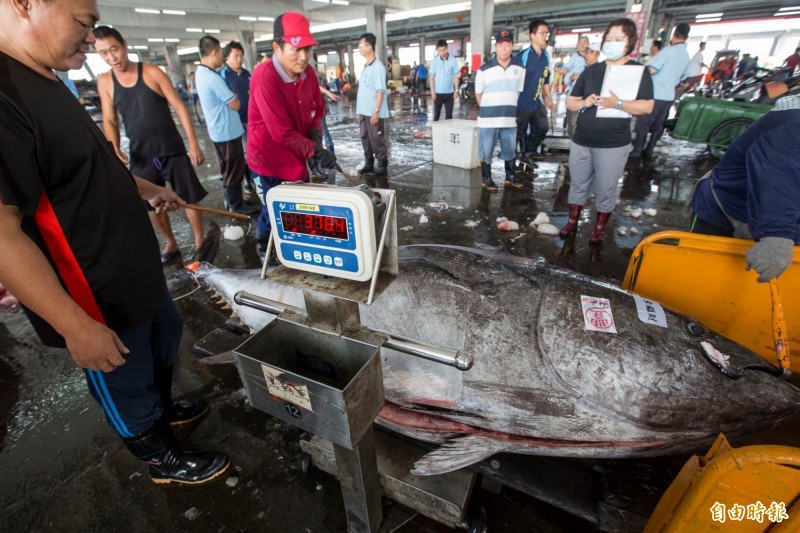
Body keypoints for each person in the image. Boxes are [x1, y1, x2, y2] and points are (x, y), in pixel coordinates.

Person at [0, 0, 229, 484]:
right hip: (92, 290)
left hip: (133, 266)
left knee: (162, 342)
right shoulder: (4, 93)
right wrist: (74, 326)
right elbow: (1, 230)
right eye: (83, 24)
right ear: (24, 4)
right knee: (122, 375)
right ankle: (157, 455)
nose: (91, 39)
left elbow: (87, 168)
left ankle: (163, 412)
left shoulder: (47, 76)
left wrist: (146, 189)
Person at [93, 26, 208, 264]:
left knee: (188, 198)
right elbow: (110, 119)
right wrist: (113, 147)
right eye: (104, 53)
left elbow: (179, 106)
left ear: (124, 45)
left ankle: (199, 243)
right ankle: (171, 242)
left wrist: (194, 144)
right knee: (150, 205)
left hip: (172, 149)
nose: (111, 57)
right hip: (141, 154)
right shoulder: (105, 82)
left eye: (114, 49)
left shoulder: (152, 73)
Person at [559, 18, 654, 244]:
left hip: (613, 143)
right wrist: (585, 102)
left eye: (618, 39)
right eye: (609, 39)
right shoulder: (592, 70)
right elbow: (571, 102)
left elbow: (647, 106)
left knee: (606, 187)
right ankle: (572, 220)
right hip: (582, 139)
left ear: (630, 42)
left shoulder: (637, 72)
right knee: (578, 184)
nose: (612, 43)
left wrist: (618, 104)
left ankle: (599, 228)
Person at [689, 95, 799, 283]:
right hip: (726, 207)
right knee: (702, 277)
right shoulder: (794, 123)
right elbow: (779, 169)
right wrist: (777, 234)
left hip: (776, 218)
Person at [247, 12, 331, 259]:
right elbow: (280, 132)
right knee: (273, 210)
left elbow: (318, 108)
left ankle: (295, 246)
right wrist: (314, 150)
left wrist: (315, 135)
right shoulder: (265, 78)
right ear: (277, 47)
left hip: (296, 156)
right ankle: (265, 248)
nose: (304, 56)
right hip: (268, 160)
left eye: (307, 49)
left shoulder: (309, 74)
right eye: (296, 49)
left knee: (299, 207)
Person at [194, 35, 255, 215]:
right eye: (221, 52)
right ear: (214, 52)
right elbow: (234, 103)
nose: (221, 56)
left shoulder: (202, 73)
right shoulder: (213, 77)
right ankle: (236, 206)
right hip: (227, 131)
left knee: (229, 168)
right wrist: (235, 96)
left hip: (219, 130)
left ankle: (234, 203)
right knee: (233, 170)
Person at [475, 29, 526, 193]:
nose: (504, 48)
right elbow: (478, 94)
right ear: (495, 47)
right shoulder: (484, 69)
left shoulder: (519, 68)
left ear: (512, 46)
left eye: (508, 44)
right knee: (486, 151)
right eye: (500, 44)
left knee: (510, 149)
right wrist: (488, 109)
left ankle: (510, 176)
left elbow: (518, 91)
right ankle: (486, 178)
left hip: (509, 119)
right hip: (488, 119)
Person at [631, 23, 690, 159]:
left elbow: (652, 70)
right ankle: (649, 150)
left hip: (655, 94)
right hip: (669, 97)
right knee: (658, 124)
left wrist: (641, 70)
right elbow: (684, 77)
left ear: (674, 35)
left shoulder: (667, 51)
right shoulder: (686, 55)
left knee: (644, 122)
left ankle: (637, 151)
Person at [516, 19, 554, 170]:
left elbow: (545, 79)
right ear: (532, 35)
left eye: (546, 33)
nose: (545, 36)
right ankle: (518, 161)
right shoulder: (523, 56)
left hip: (537, 101)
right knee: (520, 133)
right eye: (541, 33)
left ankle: (528, 153)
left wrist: (549, 98)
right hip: (522, 101)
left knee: (543, 127)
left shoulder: (545, 56)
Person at [220, 41, 256, 193]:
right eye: (236, 56)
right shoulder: (222, 75)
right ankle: (241, 184)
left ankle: (251, 181)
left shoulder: (247, 74)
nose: (239, 59)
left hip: (250, 120)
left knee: (252, 153)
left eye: (241, 56)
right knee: (238, 155)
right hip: (234, 123)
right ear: (227, 57)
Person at [356, 32, 390, 186]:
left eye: (360, 45)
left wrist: (376, 111)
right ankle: (368, 162)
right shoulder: (366, 66)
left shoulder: (378, 67)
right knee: (365, 137)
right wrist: (359, 111)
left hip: (373, 111)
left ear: (369, 47)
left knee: (376, 138)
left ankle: (382, 164)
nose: (359, 48)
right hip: (363, 111)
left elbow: (380, 91)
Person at [558, 35, 589, 137]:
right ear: (577, 46)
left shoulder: (591, 58)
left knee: (586, 120)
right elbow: (563, 71)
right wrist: (571, 76)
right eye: (580, 43)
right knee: (573, 121)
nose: (582, 45)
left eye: (585, 43)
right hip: (574, 93)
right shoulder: (574, 58)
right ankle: (574, 140)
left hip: (588, 94)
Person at [429, 39, 459, 121]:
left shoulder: (453, 60)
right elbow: (431, 77)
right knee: (436, 116)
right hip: (438, 93)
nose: (442, 52)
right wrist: (432, 92)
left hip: (450, 93)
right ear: (437, 50)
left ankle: (447, 133)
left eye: (443, 50)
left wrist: (456, 90)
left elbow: (455, 76)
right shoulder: (435, 61)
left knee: (449, 117)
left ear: (447, 48)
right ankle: (435, 133)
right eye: (439, 50)